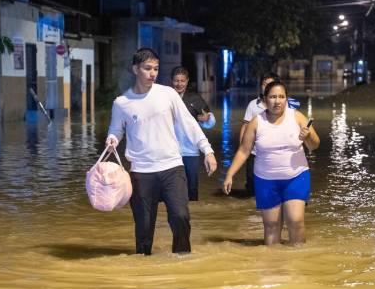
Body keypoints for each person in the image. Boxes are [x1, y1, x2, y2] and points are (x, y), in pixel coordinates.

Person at [106, 48, 218, 255]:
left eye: (156, 69)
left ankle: (182, 259)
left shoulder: (168, 94)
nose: (153, 73)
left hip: (172, 168)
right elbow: (115, 130)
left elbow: (189, 124)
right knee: (144, 229)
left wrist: (207, 150)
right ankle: (144, 267)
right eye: (147, 68)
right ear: (135, 69)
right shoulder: (122, 103)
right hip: (141, 173)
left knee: (181, 216)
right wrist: (112, 140)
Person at [223, 81, 319, 245]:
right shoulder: (256, 121)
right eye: (273, 97)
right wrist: (230, 175)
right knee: (271, 225)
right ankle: (272, 264)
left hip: (296, 177)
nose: (277, 101)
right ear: (265, 100)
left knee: (295, 221)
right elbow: (244, 150)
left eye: (281, 97)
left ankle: (299, 262)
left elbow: (314, 145)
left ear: (286, 99)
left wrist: (308, 136)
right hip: (265, 180)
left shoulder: (296, 116)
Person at [239, 72, 300, 196]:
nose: (266, 87)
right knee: (251, 184)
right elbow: (245, 125)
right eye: (264, 84)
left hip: (276, 152)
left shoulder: (284, 104)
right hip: (254, 151)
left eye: (270, 84)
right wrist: (242, 147)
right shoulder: (253, 105)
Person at [171, 66, 216, 201]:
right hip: (170, 152)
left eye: (182, 81)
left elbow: (210, 121)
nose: (179, 84)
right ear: (171, 81)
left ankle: (193, 216)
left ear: (187, 81)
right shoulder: (165, 98)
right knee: (171, 188)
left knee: (192, 187)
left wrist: (207, 119)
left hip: (191, 151)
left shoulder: (194, 98)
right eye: (176, 80)